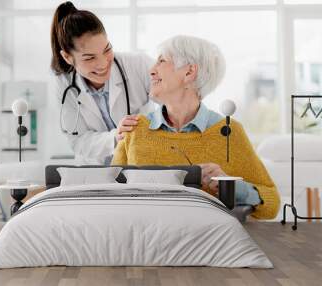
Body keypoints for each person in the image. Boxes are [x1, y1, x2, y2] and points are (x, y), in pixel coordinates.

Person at [111, 35, 280, 219]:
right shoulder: (134, 128)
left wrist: (230, 186)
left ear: (189, 72)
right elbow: (111, 193)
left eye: (161, 61)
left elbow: (271, 202)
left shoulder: (229, 132)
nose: (151, 70)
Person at [51, 1, 155, 164]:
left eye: (107, 49)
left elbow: (172, 97)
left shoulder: (138, 65)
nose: (103, 64)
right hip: (94, 172)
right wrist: (116, 136)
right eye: (90, 57)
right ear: (67, 57)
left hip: (141, 164)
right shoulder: (64, 85)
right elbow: (79, 140)